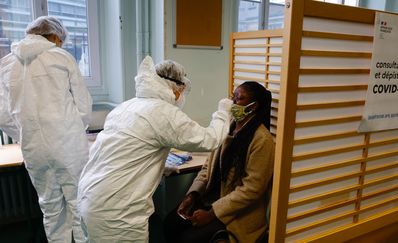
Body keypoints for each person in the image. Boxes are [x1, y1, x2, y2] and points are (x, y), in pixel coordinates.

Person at [77, 56, 233, 242]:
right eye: (183, 91)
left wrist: (159, 165)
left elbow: (128, 149)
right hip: (117, 209)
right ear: (177, 89)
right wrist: (224, 111)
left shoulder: (126, 106)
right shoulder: (164, 113)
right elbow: (210, 139)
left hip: (90, 195)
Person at [0, 16, 92, 242]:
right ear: (53, 36)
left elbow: (3, 114)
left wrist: (25, 132)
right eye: (60, 40)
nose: (60, 44)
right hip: (67, 146)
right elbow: (83, 105)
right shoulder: (61, 57)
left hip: (33, 149)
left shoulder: (6, 64)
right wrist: (70, 129)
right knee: (78, 205)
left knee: (50, 208)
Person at [164, 81, 275, 243]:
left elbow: (252, 189)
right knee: (170, 223)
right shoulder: (228, 127)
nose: (232, 103)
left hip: (237, 212)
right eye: (233, 96)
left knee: (189, 239)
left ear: (252, 107)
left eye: (239, 99)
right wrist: (192, 195)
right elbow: (207, 167)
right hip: (211, 199)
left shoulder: (262, 140)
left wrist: (212, 214)